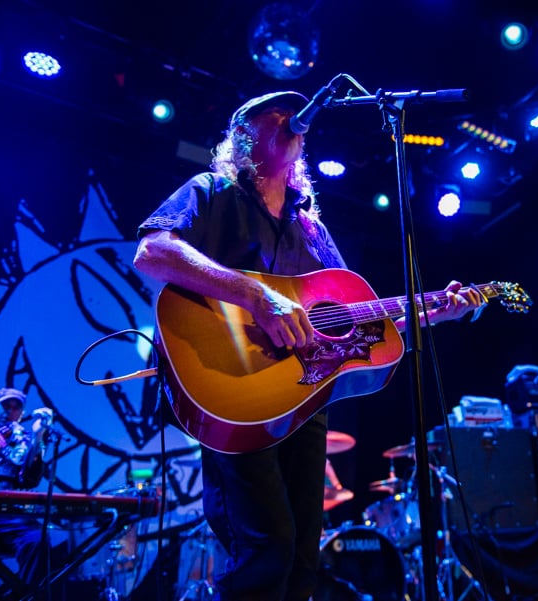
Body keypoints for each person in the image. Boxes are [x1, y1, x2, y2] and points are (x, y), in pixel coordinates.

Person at [132, 90, 483, 601]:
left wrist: (431, 314)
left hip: (304, 399)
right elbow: (153, 251)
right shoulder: (211, 190)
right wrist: (256, 295)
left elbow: (352, 323)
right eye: (271, 113)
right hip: (236, 393)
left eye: (291, 114)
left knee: (301, 559)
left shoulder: (312, 228)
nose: (288, 119)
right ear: (241, 135)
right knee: (265, 549)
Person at [0, 387, 65, 600]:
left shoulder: (24, 443)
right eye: (5, 405)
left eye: (16, 407)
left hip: (10, 515)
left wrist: (38, 438)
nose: (10, 410)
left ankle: (24, 596)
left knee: (37, 539)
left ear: (21, 413)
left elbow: (30, 479)